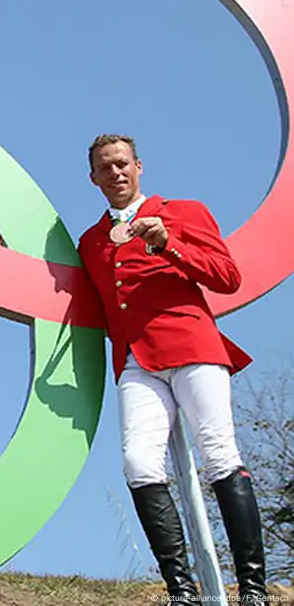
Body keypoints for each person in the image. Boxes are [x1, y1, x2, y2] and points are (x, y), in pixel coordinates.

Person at [77, 133, 264, 605]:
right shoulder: (90, 241)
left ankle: (254, 588)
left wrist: (170, 244)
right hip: (135, 360)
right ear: (94, 178)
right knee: (139, 463)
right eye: (106, 167)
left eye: (123, 163)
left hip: (192, 346)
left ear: (139, 166)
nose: (116, 172)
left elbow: (228, 276)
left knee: (219, 453)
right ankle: (182, 589)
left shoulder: (184, 212)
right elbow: (63, 286)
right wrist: (1, 250)